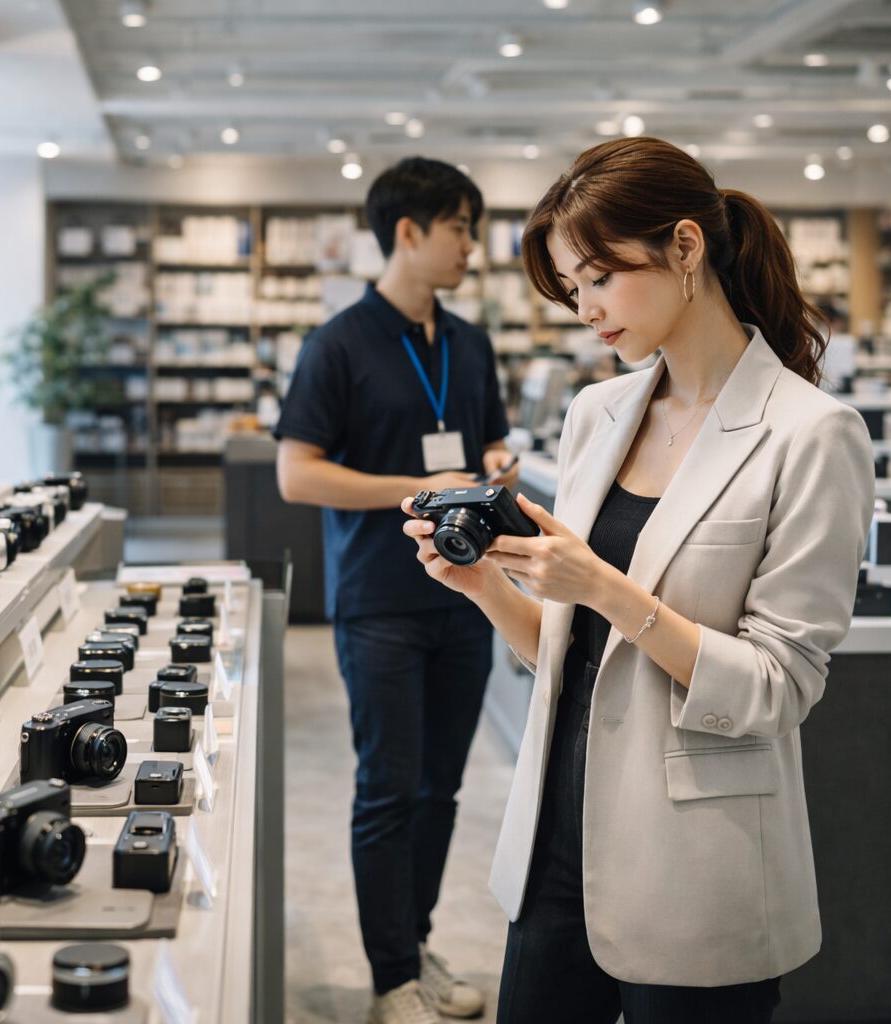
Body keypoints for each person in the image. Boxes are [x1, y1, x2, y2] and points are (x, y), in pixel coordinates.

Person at [402, 137, 874, 1023]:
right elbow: (574, 655)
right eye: (570, 289)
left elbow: (781, 686)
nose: (584, 309)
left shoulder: (812, 434)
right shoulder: (598, 411)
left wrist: (606, 588)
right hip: (557, 839)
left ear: (686, 248)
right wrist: (485, 589)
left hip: (697, 859)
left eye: (597, 279)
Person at [276, 156, 518, 1024]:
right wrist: (411, 490)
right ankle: (388, 981)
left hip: (468, 596)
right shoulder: (336, 344)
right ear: (408, 231)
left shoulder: (470, 342)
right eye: (459, 228)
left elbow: (486, 446)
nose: (470, 247)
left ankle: (414, 945)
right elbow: (296, 476)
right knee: (388, 785)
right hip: (378, 601)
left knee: (440, 789)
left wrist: (489, 468)